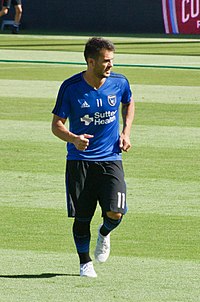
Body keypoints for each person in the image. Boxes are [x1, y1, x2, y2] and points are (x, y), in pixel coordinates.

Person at [51, 37, 135, 278]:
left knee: (116, 213)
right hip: (79, 161)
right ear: (91, 61)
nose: (110, 66)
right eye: (106, 61)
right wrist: (74, 139)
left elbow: (128, 103)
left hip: (111, 158)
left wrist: (126, 132)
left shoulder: (119, 82)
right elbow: (56, 125)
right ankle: (84, 262)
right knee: (82, 216)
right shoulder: (71, 87)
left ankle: (105, 233)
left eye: (112, 61)